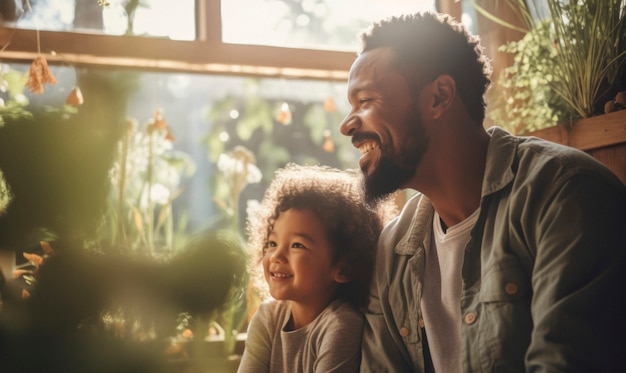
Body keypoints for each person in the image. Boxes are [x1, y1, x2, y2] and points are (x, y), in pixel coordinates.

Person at [338, 11, 626, 373]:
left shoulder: (567, 194)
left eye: (365, 101)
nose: (347, 125)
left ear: (439, 97)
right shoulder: (393, 249)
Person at [238, 163, 393, 373]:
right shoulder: (268, 317)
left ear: (344, 268)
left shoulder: (341, 325)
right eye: (272, 243)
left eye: (297, 245)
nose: (276, 256)